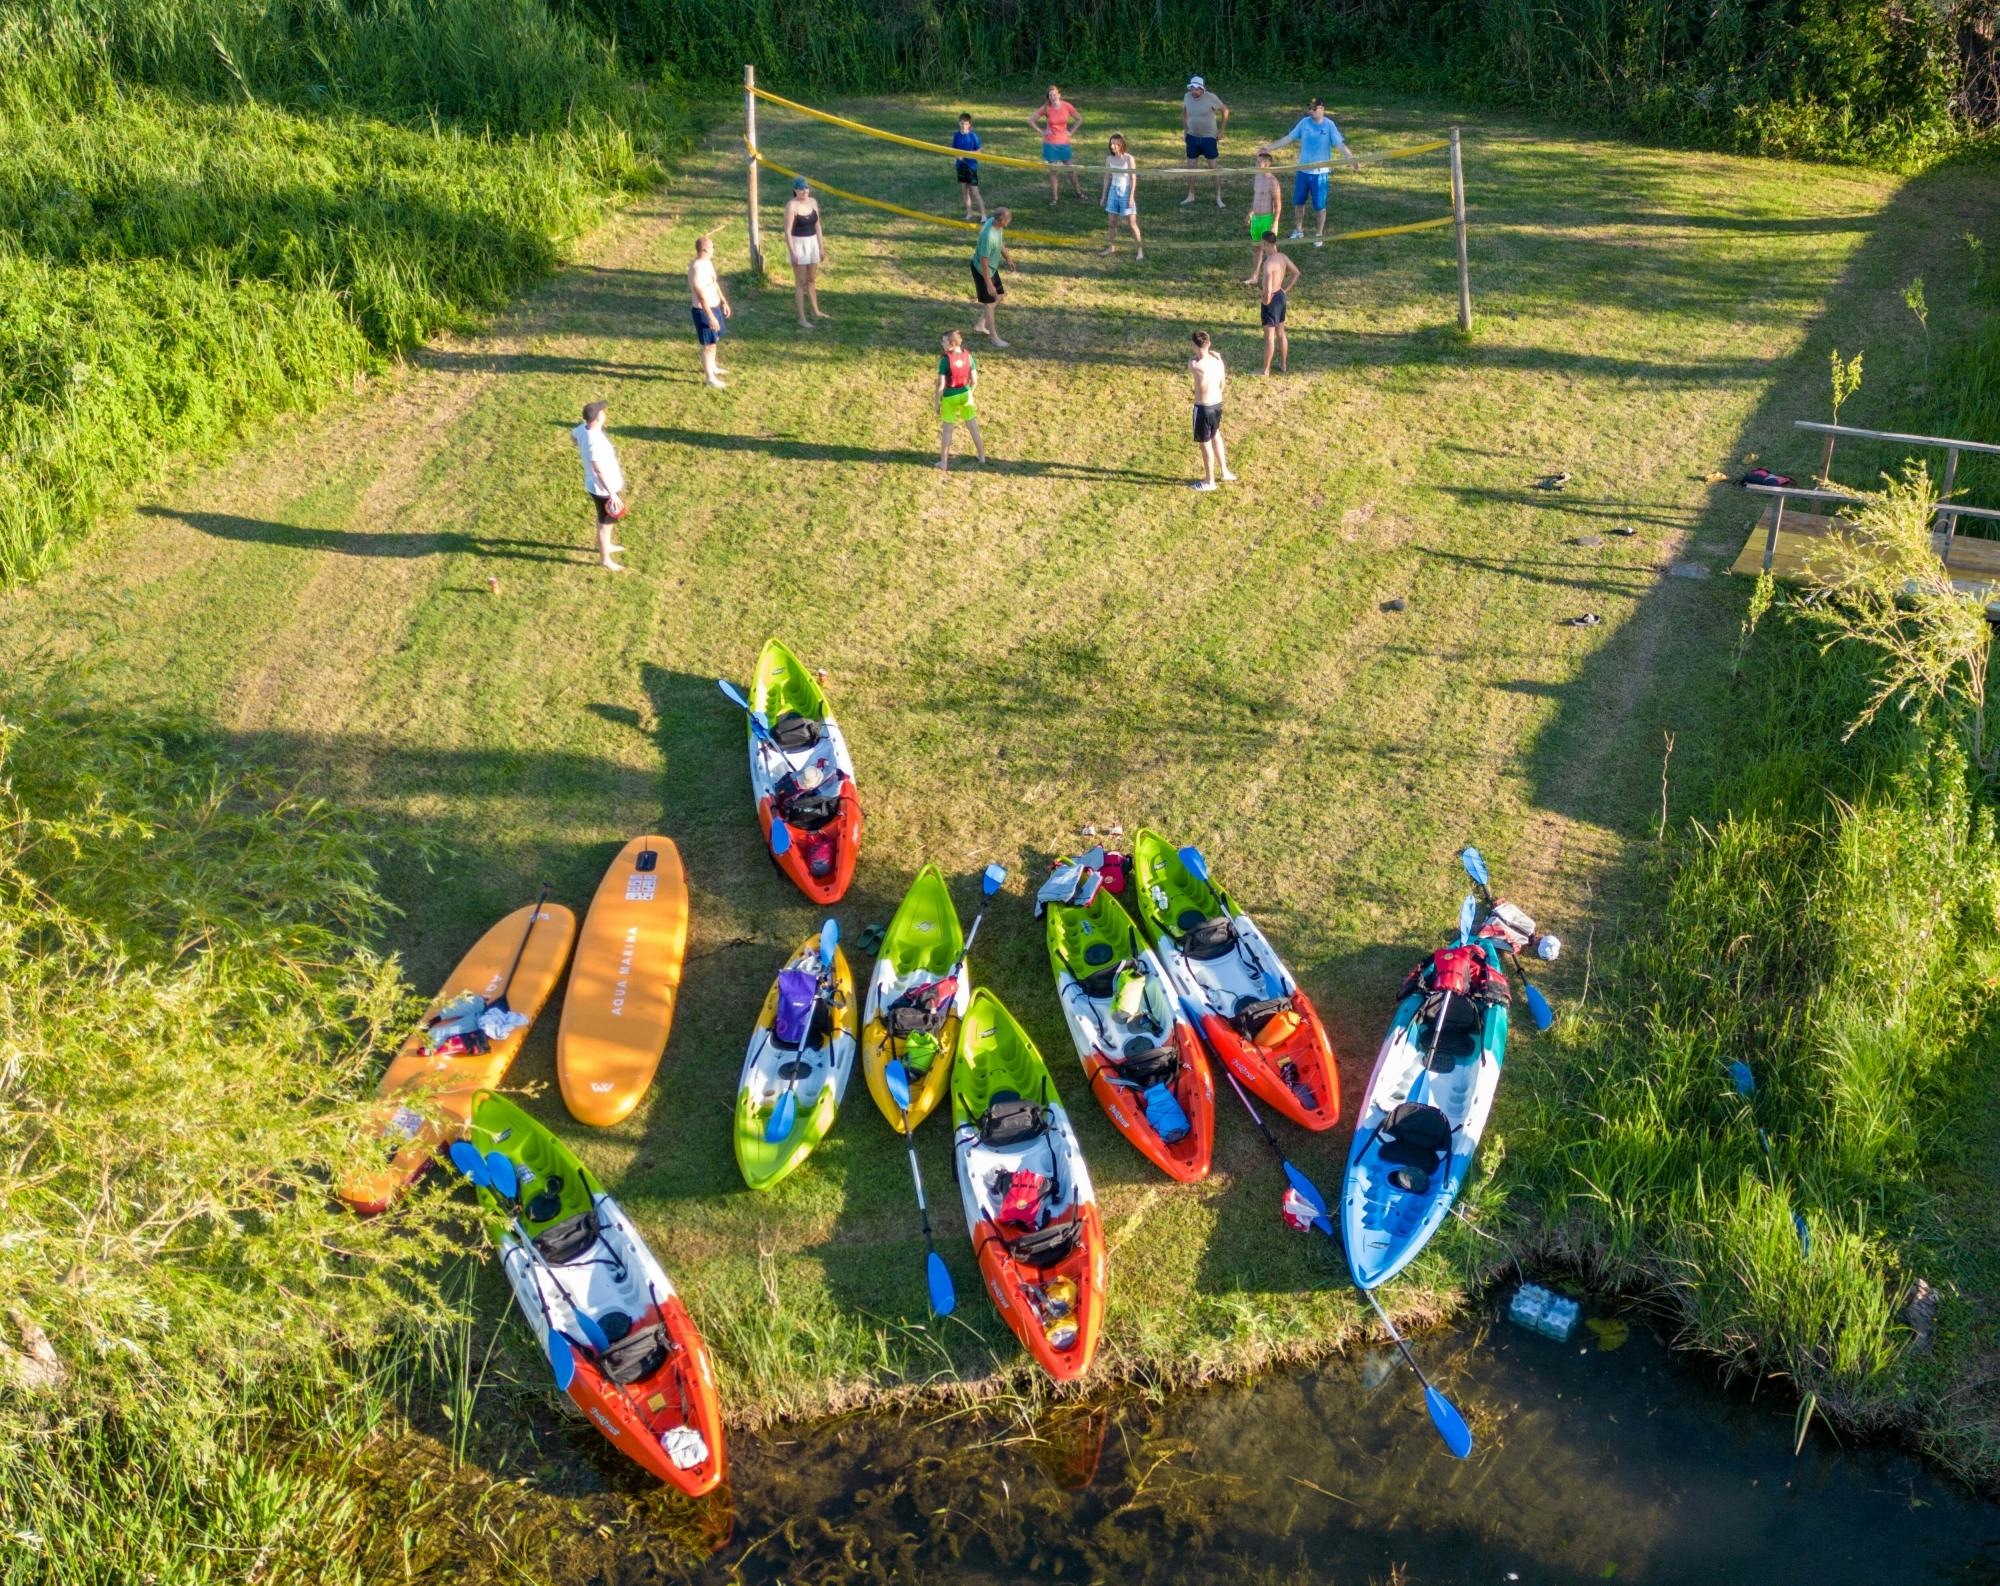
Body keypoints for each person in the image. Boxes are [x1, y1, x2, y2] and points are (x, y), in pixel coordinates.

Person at [1260, 97, 1360, 247]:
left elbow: (1339, 145)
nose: (1311, 111)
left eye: (1315, 109)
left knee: (1319, 205)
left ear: (1322, 109)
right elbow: (1288, 138)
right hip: (1303, 171)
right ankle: (1299, 229)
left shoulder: (1329, 126)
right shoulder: (1304, 123)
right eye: (1310, 108)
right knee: (1298, 202)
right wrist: (1269, 148)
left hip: (1320, 174)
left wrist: (1351, 159)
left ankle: (1319, 234)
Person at [571, 400, 627, 572]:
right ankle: (605, 560)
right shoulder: (594, 442)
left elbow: (573, 437)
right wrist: (612, 494)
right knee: (605, 523)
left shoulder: (583, 428)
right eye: (602, 412)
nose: (604, 414)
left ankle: (605, 545)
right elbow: (598, 471)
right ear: (597, 418)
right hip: (603, 489)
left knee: (605, 520)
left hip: (600, 486)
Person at [1241, 232, 1301, 376]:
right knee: (1281, 333)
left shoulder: (1268, 264)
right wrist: (1285, 290)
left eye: (1262, 243)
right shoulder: (1283, 257)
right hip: (1280, 295)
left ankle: (1265, 370)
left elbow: (1267, 288)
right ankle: (1283, 364)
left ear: (1266, 244)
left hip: (1272, 298)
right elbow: (1296, 273)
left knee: (1269, 336)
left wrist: (1266, 300)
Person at [1188, 331, 1235, 491]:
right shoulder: (1217, 362)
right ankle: (1225, 471)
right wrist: (1219, 358)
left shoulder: (1195, 365)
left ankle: (1210, 481)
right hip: (1217, 404)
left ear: (1195, 345)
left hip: (1203, 407)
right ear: (1209, 344)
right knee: (1216, 435)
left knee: (1205, 443)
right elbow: (1222, 384)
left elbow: (1193, 361)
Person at [782, 177, 830, 331]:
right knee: (801, 282)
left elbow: (818, 226)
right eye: (801, 189)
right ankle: (802, 318)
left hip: (812, 244)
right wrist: (792, 252)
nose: (805, 191)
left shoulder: (813, 202)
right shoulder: (792, 206)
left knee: (811, 279)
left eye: (806, 188)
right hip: (799, 245)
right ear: (795, 190)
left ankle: (816, 310)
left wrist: (821, 247)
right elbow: (788, 231)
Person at [935, 330, 986, 472]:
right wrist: (970, 393)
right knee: (973, 426)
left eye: (944, 342)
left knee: (947, 431)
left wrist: (937, 403)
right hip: (965, 394)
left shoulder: (945, 360)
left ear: (951, 344)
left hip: (950, 397)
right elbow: (975, 381)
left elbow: (940, 385)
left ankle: (944, 463)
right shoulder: (968, 356)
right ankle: (982, 456)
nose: (942, 344)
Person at [1028, 86, 1085, 205]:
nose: (1052, 97)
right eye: (1050, 95)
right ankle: (1055, 198)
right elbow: (1031, 120)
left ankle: (1078, 192)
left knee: (1070, 169)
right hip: (1050, 144)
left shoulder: (1067, 106)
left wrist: (1070, 132)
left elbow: (1079, 119)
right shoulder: (1046, 108)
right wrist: (1041, 131)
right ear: (1048, 97)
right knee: (1053, 172)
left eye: (1054, 95)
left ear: (1059, 95)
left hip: (1064, 143)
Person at [688, 235, 731, 388]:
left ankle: (712, 367)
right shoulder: (696, 268)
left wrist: (723, 301)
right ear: (705, 249)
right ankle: (709, 378)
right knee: (708, 344)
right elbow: (701, 296)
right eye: (712, 247)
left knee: (714, 341)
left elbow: (714, 283)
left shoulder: (708, 263)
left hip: (714, 307)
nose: (714, 250)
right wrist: (711, 316)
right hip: (703, 311)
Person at [1180, 75, 1230, 207]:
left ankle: (1218, 197)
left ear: (1202, 89)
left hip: (1209, 138)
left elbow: (1225, 111)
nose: (1194, 92)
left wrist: (1221, 131)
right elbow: (1184, 112)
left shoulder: (1211, 97)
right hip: (1192, 137)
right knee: (1191, 167)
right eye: (1192, 89)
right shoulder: (1187, 97)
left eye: (1197, 89)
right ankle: (1190, 195)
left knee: (1213, 168)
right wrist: (1185, 130)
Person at [971, 207, 1015, 349]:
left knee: (1000, 295)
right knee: (989, 304)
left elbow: (1000, 241)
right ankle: (994, 337)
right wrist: (989, 283)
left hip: (991, 268)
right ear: (1002, 221)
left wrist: (1007, 258)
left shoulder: (994, 223)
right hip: (982, 271)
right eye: (1009, 218)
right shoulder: (988, 236)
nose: (1010, 220)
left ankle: (980, 325)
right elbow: (984, 261)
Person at [1100, 133, 1143, 260]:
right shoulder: (1109, 159)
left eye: (1116, 144)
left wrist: (1131, 197)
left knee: (1132, 223)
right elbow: (1107, 178)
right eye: (1111, 143)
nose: (1113, 146)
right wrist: (1104, 196)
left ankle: (1140, 250)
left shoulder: (1129, 159)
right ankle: (1110, 247)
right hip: (1113, 192)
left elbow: (1133, 179)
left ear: (1121, 145)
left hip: (1126, 191)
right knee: (1112, 223)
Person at [1246, 149, 1283, 258]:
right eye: (1256, 161)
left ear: (1267, 163)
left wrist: (1275, 223)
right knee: (1256, 249)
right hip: (1255, 220)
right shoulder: (1257, 177)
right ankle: (1255, 275)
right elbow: (1256, 198)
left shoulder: (1273, 181)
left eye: (1259, 162)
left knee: (1271, 250)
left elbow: (1278, 205)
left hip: (1266, 220)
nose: (1256, 164)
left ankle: (1277, 271)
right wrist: (1250, 213)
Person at [951, 112, 986, 221]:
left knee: (975, 191)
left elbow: (979, 151)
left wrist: (967, 154)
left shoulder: (973, 136)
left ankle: (984, 215)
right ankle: (969, 213)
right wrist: (958, 156)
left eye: (966, 124)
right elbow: (953, 150)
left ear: (969, 125)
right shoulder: (956, 136)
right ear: (959, 123)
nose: (963, 126)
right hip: (960, 166)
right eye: (962, 123)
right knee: (965, 191)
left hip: (971, 167)